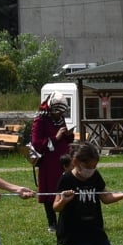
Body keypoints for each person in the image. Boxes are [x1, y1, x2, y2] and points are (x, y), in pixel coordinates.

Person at [27, 97, 75, 235]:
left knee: (65, 187)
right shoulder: (40, 120)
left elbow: (65, 139)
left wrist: (68, 135)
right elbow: (36, 143)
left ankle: (65, 221)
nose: (60, 116)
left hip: (63, 159)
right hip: (48, 161)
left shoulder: (59, 119)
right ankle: (52, 222)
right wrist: (55, 138)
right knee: (50, 190)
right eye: (58, 113)